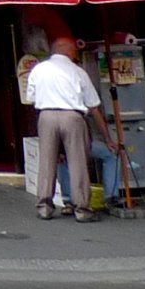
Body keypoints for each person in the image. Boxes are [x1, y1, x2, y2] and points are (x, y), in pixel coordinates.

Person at [26, 36, 103, 223]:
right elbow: (93, 104)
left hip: (46, 116)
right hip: (72, 116)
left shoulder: (38, 69)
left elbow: (31, 98)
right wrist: (106, 136)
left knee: (47, 161)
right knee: (78, 162)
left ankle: (44, 207)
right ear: (69, 51)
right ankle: (82, 209)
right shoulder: (78, 72)